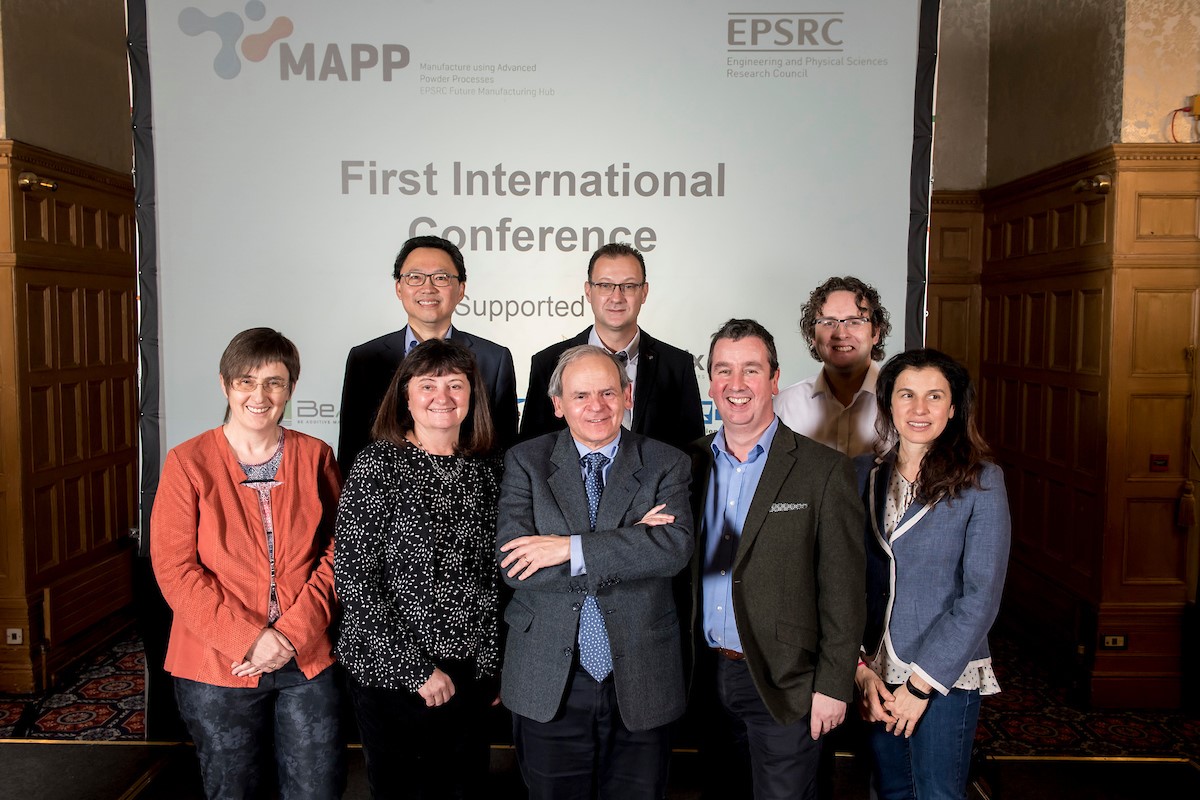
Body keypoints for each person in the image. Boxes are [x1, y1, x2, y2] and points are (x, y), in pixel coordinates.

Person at [150, 328, 343, 799]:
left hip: (307, 659)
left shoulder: (316, 456)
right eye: (246, 381)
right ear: (225, 385)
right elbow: (175, 569)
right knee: (234, 789)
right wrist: (250, 640)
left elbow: (340, 553)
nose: (260, 395)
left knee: (317, 789)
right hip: (217, 663)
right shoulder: (187, 461)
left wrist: (291, 636)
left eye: (274, 382)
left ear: (291, 389)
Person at [497, 345, 694, 799]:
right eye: (581, 395)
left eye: (608, 392)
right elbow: (516, 566)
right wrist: (631, 543)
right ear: (558, 404)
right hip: (549, 676)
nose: (596, 406)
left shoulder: (667, 462)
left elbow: (671, 550)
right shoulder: (526, 461)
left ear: (628, 395)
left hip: (642, 675)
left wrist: (564, 548)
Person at [689, 319, 865, 800]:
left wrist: (833, 684)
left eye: (751, 369)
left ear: (774, 379)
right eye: (724, 370)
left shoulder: (822, 469)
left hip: (787, 681)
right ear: (711, 384)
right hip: (705, 679)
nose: (736, 384)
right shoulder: (687, 464)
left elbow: (844, 590)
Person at [334, 338, 503, 799]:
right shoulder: (376, 466)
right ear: (405, 395)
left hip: (469, 673)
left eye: (455, 384)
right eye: (427, 385)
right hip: (392, 672)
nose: (442, 396)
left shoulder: (487, 470)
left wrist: (490, 667)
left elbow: (492, 578)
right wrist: (417, 671)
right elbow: (354, 580)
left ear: (472, 395)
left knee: (465, 788)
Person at [854, 348, 1010, 800]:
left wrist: (920, 687)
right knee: (890, 789)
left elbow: (981, 596)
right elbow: (847, 579)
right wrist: (860, 668)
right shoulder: (863, 474)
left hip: (942, 672)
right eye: (907, 395)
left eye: (934, 396)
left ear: (954, 408)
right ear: (888, 404)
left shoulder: (982, 481)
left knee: (938, 792)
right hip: (878, 670)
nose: (919, 409)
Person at [338, 235, 518, 474]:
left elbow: (506, 449)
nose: (428, 287)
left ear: (461, 289)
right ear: (398, 288)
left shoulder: (493, 359)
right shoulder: (365, 358)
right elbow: (352, 446)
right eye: (415, 277)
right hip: (385, 496)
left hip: (473, 495)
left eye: (441, 277)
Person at [519, 242, 704, 450]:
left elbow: (691, 450)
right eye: (605, 285)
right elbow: (531, 450)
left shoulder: (676, 366)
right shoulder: (548, 363)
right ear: (588, 291)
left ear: (644, 292)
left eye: (629, 286)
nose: (617, 297)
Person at [774, 276, 892, 458]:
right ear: (812, 335)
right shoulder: (784, 407)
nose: (841, 334)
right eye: (829, 323)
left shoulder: (903, 403)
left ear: (875, 332)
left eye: (854, 321)